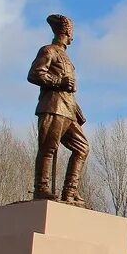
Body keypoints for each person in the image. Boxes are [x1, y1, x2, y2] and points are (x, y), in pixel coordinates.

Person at [28, 14, 89, 205]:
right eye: (71, 33)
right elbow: (35, 74)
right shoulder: (49, 51)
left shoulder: (67, 58)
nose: (73, 37)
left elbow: (68, 89)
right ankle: (42, 188)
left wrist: (76, 108)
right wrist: (58, 81)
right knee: (48, 149)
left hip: (69, 110)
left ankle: (70, 192)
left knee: (82, 148)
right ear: (66, 32)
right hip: (53, 107)